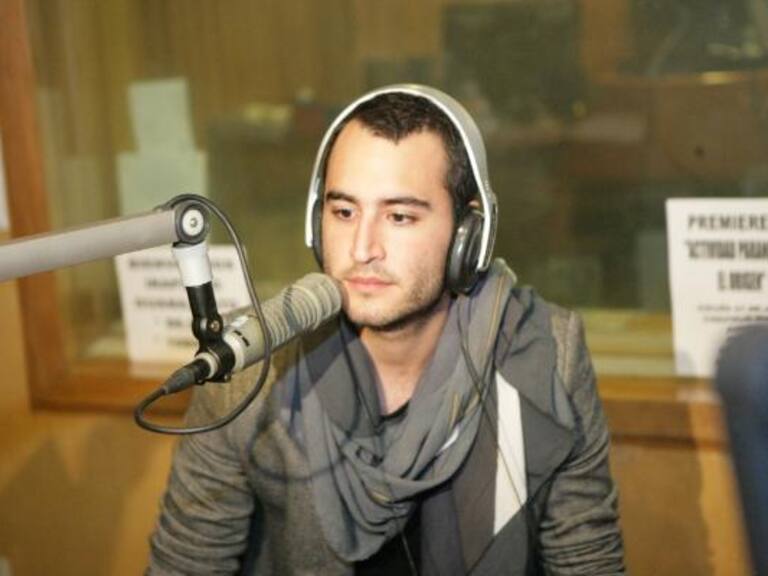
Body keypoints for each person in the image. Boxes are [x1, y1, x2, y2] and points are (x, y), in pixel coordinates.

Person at [147, 84, 626, 575]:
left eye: (399, 216)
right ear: (316, 223)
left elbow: (588, 563)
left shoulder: (544, 354)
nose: (362, 249)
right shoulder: (250, 364)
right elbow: (185, 564)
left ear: (469, 236)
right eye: (344, 212)